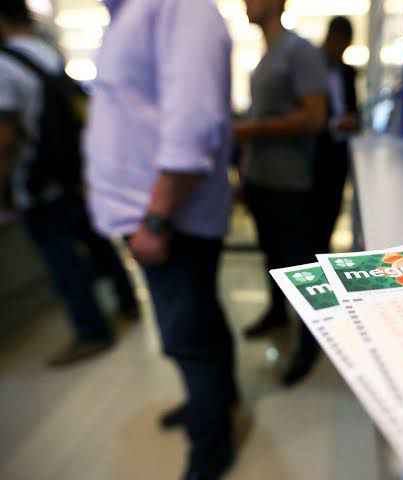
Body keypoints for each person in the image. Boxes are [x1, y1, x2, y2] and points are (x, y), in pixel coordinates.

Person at [84, 0, 237, 478]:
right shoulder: (131, 13)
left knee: (188, 338)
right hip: (161, 217)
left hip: (169, 221)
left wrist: (155, 220)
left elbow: (194, 122)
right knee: (200, 322)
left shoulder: (177, 5)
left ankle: (211, 446)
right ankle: (216, 404)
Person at [0, 0, 136, 367]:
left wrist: (4, 186)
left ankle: (92, 332)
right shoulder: (46, 51)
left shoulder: (5, 64)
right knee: (98, 243)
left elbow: (5, 137)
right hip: (74, 171)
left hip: (39, 181)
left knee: (64, 262)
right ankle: (128, 303)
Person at [235, 0, 329, 387]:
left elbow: (315, 117)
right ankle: (277, 313)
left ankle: (310, 342)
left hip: (291, 183)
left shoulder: (299, 51)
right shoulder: (266, 56)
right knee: (271, 256)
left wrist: (250, 130)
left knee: (301, 266)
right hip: (262, 179)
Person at [311, 16, 360, 255]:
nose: (341, 51)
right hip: (316, 155)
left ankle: (322, 252)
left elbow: (353, 108)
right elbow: (310, 116)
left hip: (340, 154)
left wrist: (354, 122)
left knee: (332, 210)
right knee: (314, 218)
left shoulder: (348, 72)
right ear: (331, 38)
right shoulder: (312, 68)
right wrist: (333, 124)